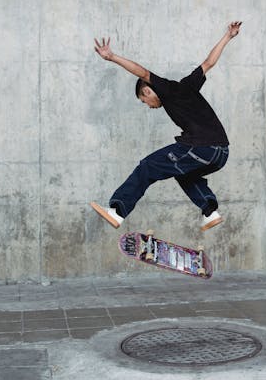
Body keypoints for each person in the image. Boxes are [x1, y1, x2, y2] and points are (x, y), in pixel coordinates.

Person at [90, 21, 242, 232]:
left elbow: (142, 73)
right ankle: (210, 212)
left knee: (148, 166)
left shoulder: (167, 89)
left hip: (201, 147)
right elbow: (209, 63)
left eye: (145, 101)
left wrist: (112, 57)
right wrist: (228, 36)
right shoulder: (187, 86)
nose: (149, 106)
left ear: (147, 91)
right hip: (220, 153)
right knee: (184, 172)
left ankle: (117, 211)